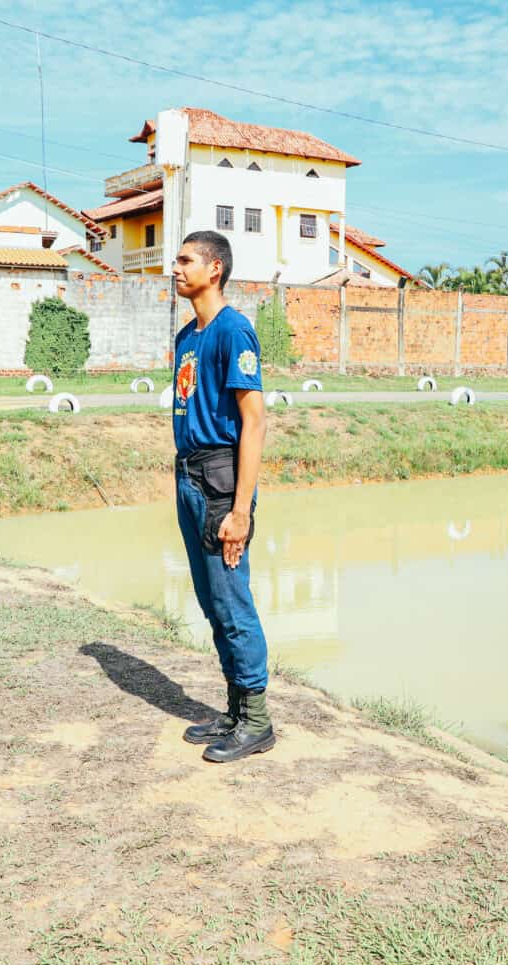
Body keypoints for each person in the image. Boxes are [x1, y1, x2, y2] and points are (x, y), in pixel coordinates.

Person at [170, 231, 274, 764]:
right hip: (187, 474)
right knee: (212, 601)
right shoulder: (188, 337)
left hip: (219, 479)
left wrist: (240, 510)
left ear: (215, 269)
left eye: (187, 260)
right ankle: (234, 708)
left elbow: (253, 423)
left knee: (233, 600)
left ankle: (257, 720)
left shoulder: (236, 332)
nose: (176, 267)